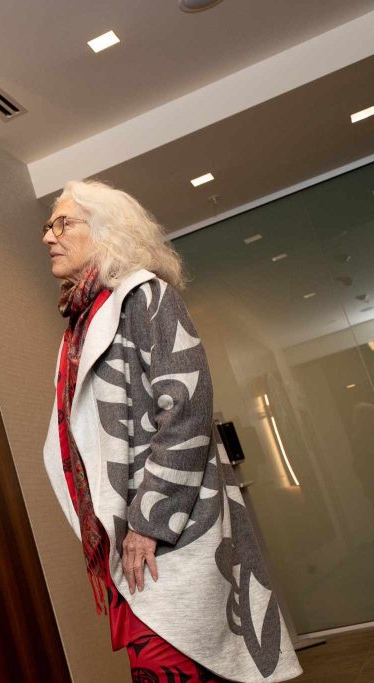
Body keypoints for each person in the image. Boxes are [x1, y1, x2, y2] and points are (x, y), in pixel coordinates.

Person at [41, 180, 302, 682]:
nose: (49, 237)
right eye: (48, 226)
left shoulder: (145, 297)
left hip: (164, 533)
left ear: (107, 231)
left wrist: (149, 521)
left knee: (177, 666)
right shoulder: (80, 322)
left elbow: (185, 408)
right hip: (134, 536)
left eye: (63, 224)